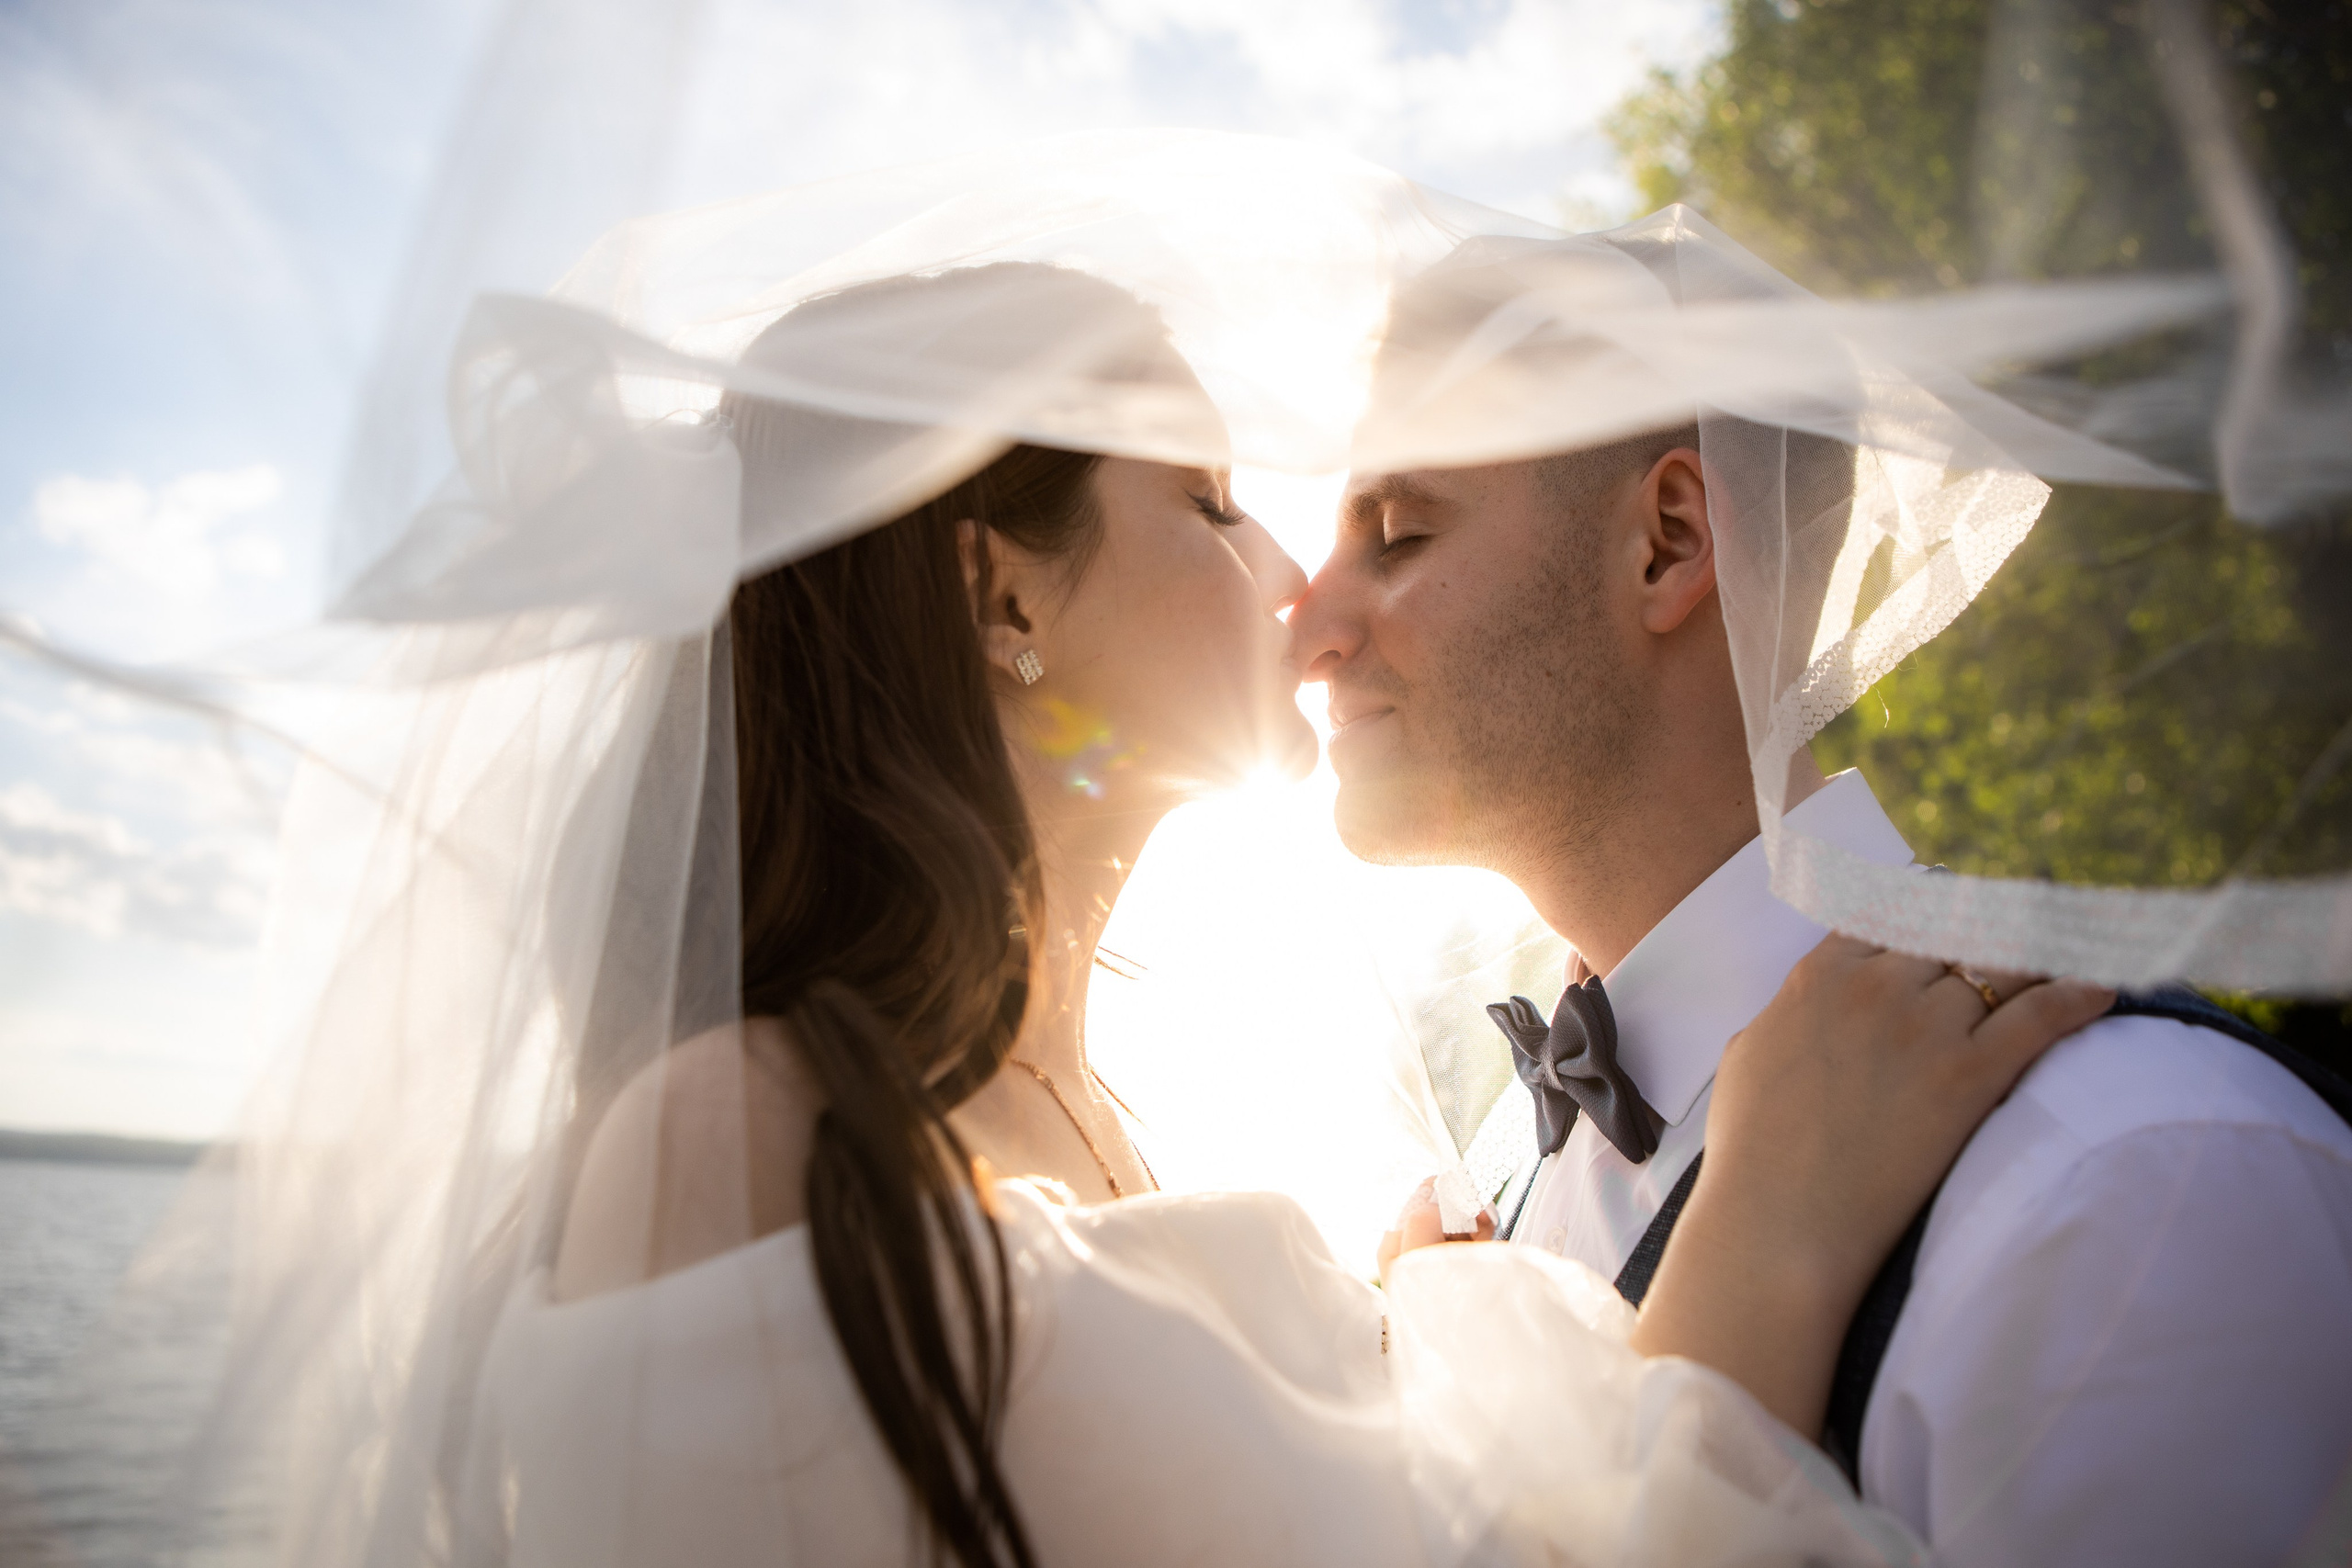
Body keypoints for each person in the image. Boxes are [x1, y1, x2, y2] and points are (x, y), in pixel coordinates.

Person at [464, 265, 2127, 1568]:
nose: (1297, 589)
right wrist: (1762, 1243)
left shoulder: (1116, 1129)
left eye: (1390, 533)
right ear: (1002, 594)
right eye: (1206, 499)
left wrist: (1419, 1383)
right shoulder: (741, 1147)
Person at [1291, 244, 2352, 1566]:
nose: (1304, 630)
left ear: (1669, 544)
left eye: (1397, 534)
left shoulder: (2135, 1175)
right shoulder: (1476, 1221)